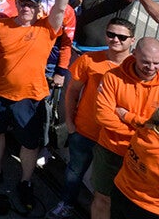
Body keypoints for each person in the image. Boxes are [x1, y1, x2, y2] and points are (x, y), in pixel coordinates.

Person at [0, 0, 74, 214]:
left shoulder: (47, 28)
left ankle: (25, 181)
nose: (25, 8)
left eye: (31, 5)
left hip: (30, 97)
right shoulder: (0, 24)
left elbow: (60, 8)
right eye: (22, 3)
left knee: (30, 144)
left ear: (37, 9)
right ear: (17, 4)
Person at [50, 19, 138, 219]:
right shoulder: (89, 59)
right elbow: (72, 92)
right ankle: (66, 204)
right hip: (85, 131)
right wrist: (71, 125)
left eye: (122, 37)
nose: (115, 39)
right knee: (74, 172)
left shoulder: (137, 68)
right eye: (111, 34)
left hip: (117, 138)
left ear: (132, 41)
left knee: (111, 186)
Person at [93, 36, 159, 219]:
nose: (151, 68)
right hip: (112, 149)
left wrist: (126, 116)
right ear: (134, 53)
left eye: (156, 63)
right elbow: (103, 116)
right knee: (103, 199)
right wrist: (145, 130)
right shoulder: (113, 77)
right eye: (146, 62)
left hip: (146, 159)